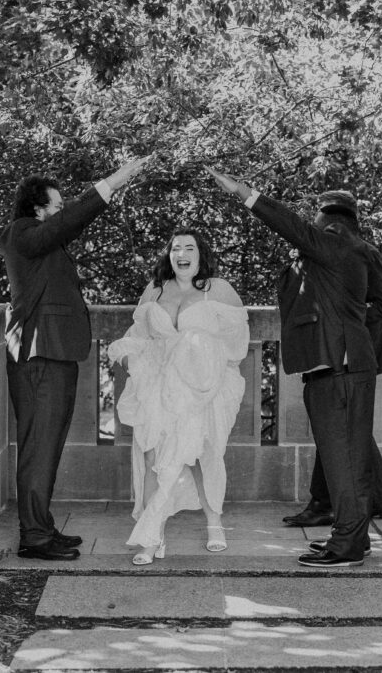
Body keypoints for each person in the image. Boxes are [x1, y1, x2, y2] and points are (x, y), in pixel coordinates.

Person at [207, 167, 377, 568]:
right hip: (341, 366)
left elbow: (290, 227)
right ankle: (356, 537)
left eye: (316, 220)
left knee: (344, 461)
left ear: (328, 221)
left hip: (339, 367)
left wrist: (244, 192)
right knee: (349, 459)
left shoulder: (334, 243)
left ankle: (347, 544)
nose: (312, 227)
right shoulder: (351, 249)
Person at [0, 156, 149, 561]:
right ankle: (33, 537)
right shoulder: (22, 232)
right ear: (38, 208)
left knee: (48, 444)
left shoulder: (40, 236)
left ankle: (42, 526)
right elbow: (69, 223)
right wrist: (112, 183)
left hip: (54, 351)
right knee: (38, 446)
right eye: (57, 205)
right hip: (38, 354)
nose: (63, 212)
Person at [107, 228, 249, 565]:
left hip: (203, 386)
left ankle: (215, 524)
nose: (182, 253)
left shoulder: (219, 289)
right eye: (176, 248)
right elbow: (137, 334)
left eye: (190, 247)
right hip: (160, 386)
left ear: (201, 255)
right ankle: (154, 536)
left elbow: (237, 340)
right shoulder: (155, 290)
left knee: (202, 455)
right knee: (155, 456)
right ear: (169, 255)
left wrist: (202, 360)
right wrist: (130, 359)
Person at [283, 192, 382, 530]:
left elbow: (381, 305)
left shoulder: (364, 252)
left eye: (323, 216)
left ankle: (333, 505)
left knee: (343, 437)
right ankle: (369, 501)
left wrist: (344, 320)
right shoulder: (319, 253)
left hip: (352, 356)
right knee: (342, 437)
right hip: (326, 355)